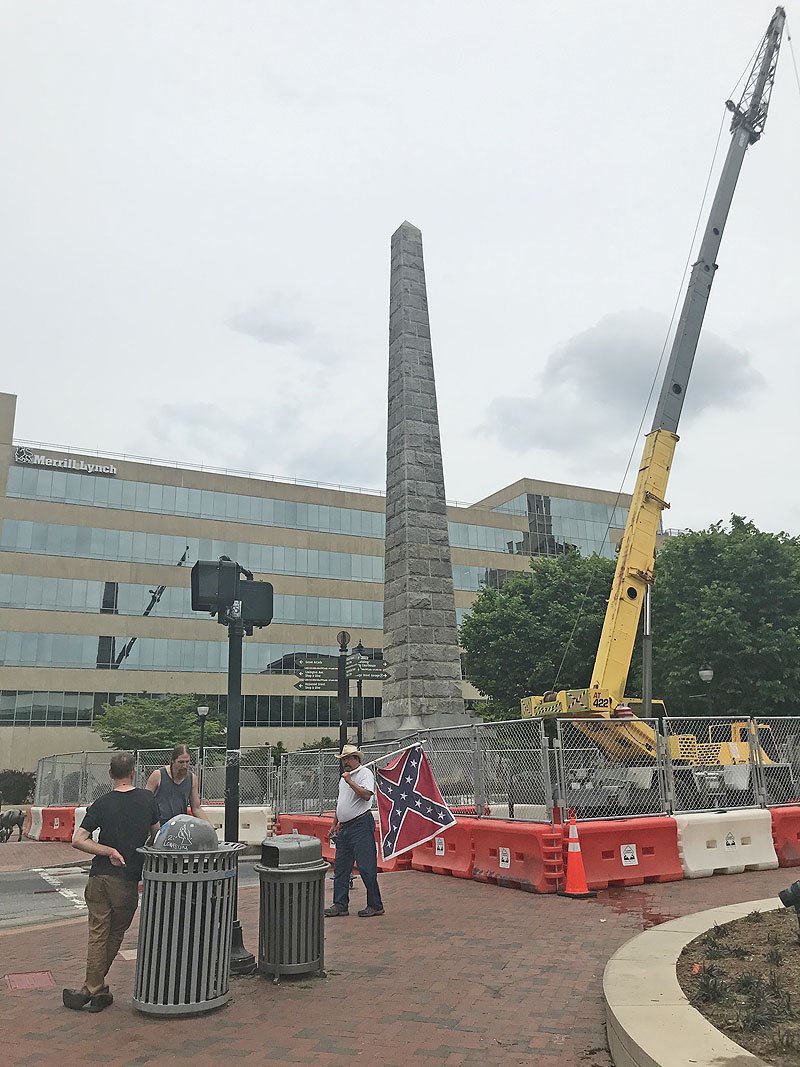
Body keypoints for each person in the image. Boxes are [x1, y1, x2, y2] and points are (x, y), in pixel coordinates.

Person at [63, 752, 160, 1012]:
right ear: (133, 772)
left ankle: (93, 989)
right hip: (128, 877)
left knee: (98, 933)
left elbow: (78, 840)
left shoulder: (102, 803)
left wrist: (108, 851)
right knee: (115, 933)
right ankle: (94, 989)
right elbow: (157, 836)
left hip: (99, 876)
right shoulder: (147, 800)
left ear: (110, 774)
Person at [324, 744, 384, 918]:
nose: (345, 762)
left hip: (360, 825)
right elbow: (341, 803)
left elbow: (366, 795)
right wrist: (334, 824)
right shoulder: (343, 779)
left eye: (348, 758)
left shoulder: (364, 774)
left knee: (366, 866)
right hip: (345, 827)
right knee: (341, 868)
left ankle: (375, 904)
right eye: (343, 759)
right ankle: (340, 904)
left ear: (356, 759)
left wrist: (350, 781)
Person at [145, 744, 212, 826]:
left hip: (179, 825)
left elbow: (196, 808)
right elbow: (145, 801)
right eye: (181, 762)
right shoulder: (158, 775)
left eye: (187, 762)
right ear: (172, 761)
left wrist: (208, 825)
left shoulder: (192, 779)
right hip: (159, 824)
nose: (184, 766)